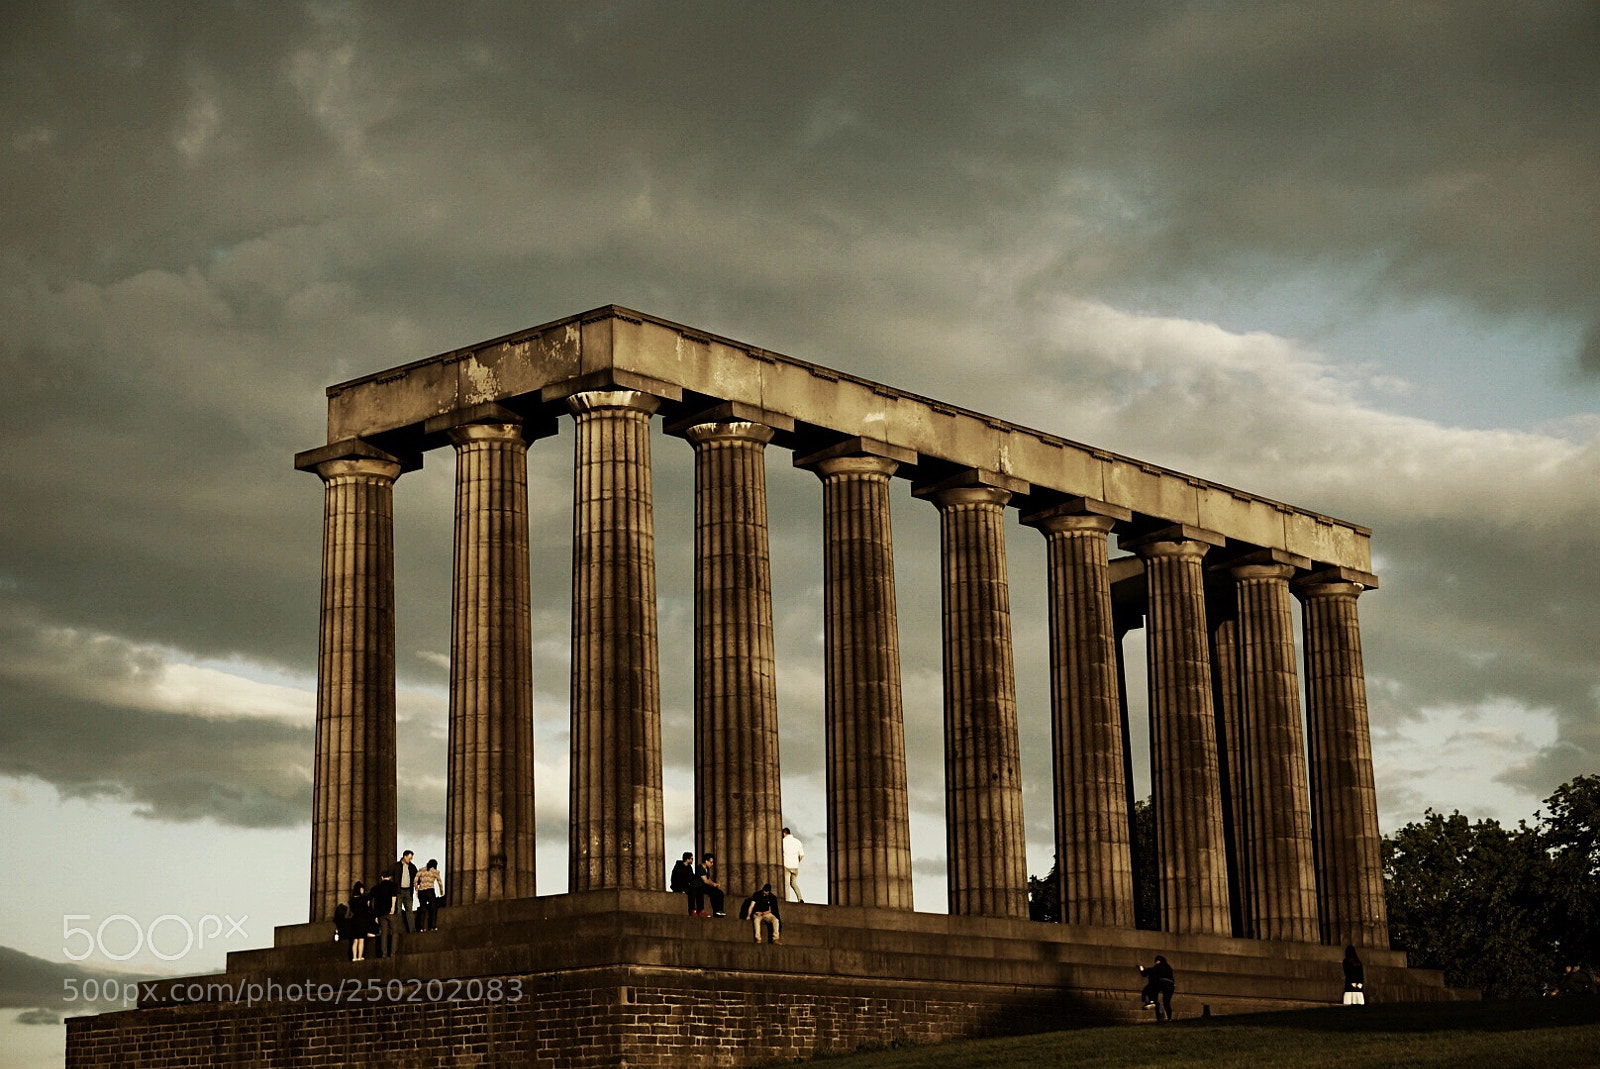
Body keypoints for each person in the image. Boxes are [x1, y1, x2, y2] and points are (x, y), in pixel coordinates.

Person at [369, 872, 399, 958]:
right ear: (389, 877)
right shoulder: (393, 885)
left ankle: (384, 953)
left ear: (382, 877)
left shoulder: (377, 888)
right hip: (391, 912)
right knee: (395, 932)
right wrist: (393, 907)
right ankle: (393, 953)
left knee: (384, 934)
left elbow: (371, 901)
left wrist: (375, 915)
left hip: (381, 914)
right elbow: (394, 896)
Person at [1138, 954, 1175, 1021]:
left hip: (1160, 982)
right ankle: (1169, 1018)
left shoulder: (1157, 967)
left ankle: (1151, 1002)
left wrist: (1141, 969)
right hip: (1170, 984)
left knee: (1150, 990)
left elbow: (1146, 973)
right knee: (1166, 1002)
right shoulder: (1168, 967)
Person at [391, 850, 418, 933]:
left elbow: (417, 878)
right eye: (409, 858)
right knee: (398, 911)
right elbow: (390, 876)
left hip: (408, 891)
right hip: (399, 891)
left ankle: (412, 931)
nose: (410, 860)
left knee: (409, 911)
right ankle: (398, 931)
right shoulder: (396, 866)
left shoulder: (412, 867)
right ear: (404, 857)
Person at [346, 881, 373, 962]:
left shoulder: (351, 900)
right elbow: (367, 909)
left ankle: (354, 957)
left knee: (355, 940)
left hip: (354, 920)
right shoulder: (363, 899)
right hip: (362, 920)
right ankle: (360, 956)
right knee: (361, 939)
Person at [415, 859, 443, 932]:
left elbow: (415, 880)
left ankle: (421, 928)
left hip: (421, 891)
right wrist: (441, 892)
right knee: (433, 908)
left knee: (423, 909)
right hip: (429, 890)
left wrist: (416, 890)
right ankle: (432, 926)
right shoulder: (435, 871)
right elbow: (439, 882)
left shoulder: (421, 870)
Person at [782, 827, 805, 903]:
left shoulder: (782, 842)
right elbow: (801, 855)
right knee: (794, 883)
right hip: (795, 866)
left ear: (784, 833)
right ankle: (800, 898)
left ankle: (787, 900)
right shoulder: (797, 842)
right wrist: (797, 862)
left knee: (787, 885)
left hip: (786, 865)